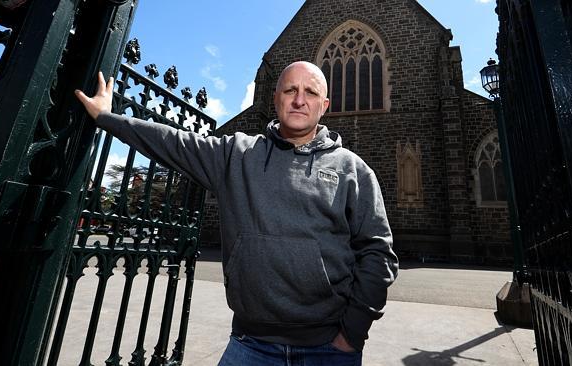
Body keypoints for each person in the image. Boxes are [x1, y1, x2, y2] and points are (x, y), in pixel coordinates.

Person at [76, 61, 398, 365]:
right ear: (275, 98)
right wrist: (108, 118)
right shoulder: (237, 154)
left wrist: (352, 333)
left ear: (324, 105)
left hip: (328, 348)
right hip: (250, 344)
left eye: (310, 92)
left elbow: (378, 254)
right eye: (290, 90)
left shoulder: (352, 170)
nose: (299, 100)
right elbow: (173, 142)